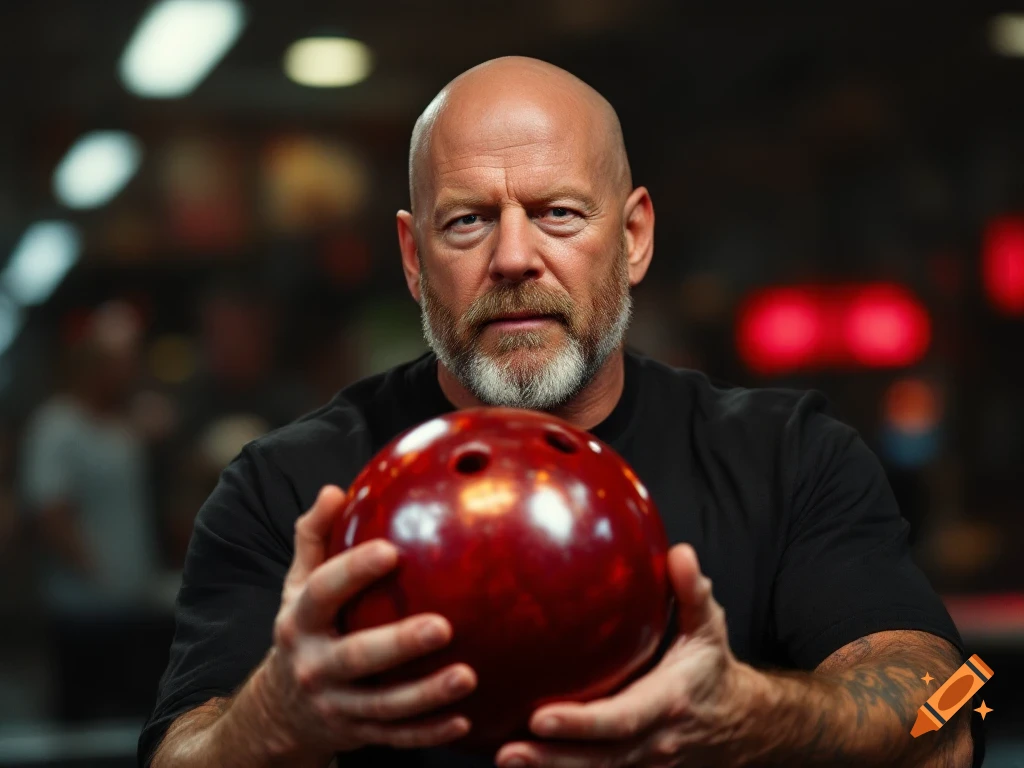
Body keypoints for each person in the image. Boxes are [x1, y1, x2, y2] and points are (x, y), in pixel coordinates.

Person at [141, 57, 978, 768]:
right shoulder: (285, 490)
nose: (513, 257)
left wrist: (752, 713)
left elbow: (956, 712)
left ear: (635, 235)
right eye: (467, 221)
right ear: (411, 257)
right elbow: (179, 755)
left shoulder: (791, 457)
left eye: (559, 214)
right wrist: (276, 717)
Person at [21, 304, 168, 721]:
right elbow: (50, 510)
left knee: (134, 716)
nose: (128, 372)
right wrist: (96, 571)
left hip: (133, 605)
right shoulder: (58, 426)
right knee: (86, 721)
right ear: (92, 365)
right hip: (83, 612)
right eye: (119, 363)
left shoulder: (123, 425)